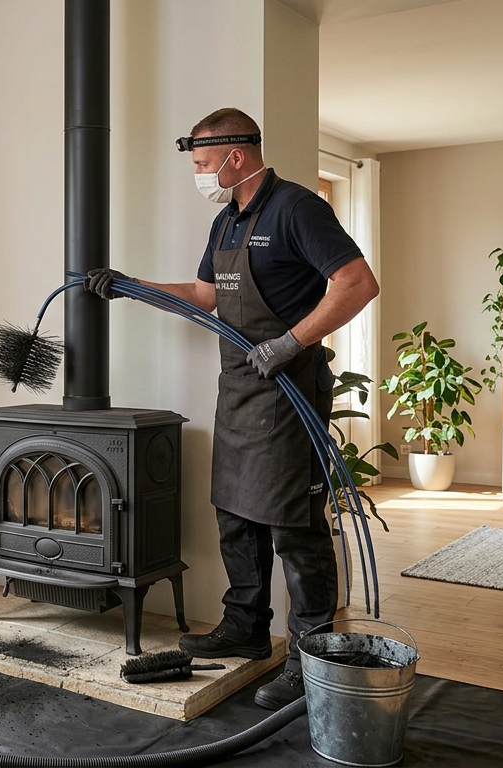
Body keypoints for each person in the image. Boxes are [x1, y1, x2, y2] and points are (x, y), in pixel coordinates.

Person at [84, 108, 379, 710]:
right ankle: (244, 627)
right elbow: (205, 296)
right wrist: (131, 287)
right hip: (240, 392)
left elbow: (358, 283)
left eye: (200, 163)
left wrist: (291, 342)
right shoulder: (226, 222)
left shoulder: (298, 208)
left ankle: (310, 656)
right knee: (236, 516)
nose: (199, 175)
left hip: (289, 391)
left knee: (294, 527)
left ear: (234, 156)